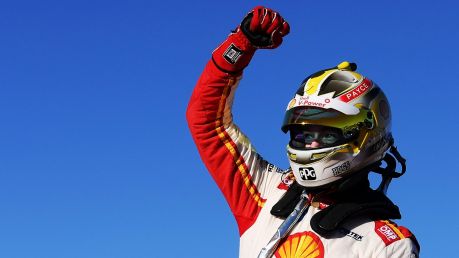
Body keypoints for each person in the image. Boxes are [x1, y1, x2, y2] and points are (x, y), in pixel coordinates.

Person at [186, 6, 419, 258]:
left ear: (365, 135)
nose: (309, 144)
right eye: (302, 134)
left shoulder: (387, 245)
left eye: (326, 133)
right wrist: (240, 46)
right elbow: (206, 122)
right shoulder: (268, 191)